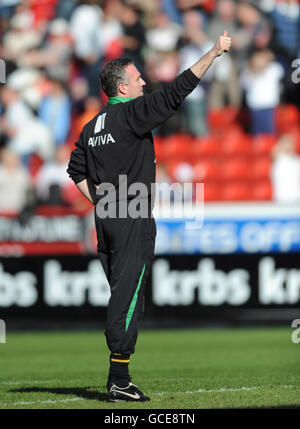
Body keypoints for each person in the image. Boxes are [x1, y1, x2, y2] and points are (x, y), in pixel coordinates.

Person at [67, 31, 231, 402]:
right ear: (122, 87)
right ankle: (118, 379)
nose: (144, 81)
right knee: (127, 298)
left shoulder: (92, 127)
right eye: (138, 77)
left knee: (126, 295)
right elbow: (178, 91)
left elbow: (75, 170)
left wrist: (104, 201)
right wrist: (213, 52)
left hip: (108, 215)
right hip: (131, 215)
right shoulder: (131, 115)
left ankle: (119, 375)